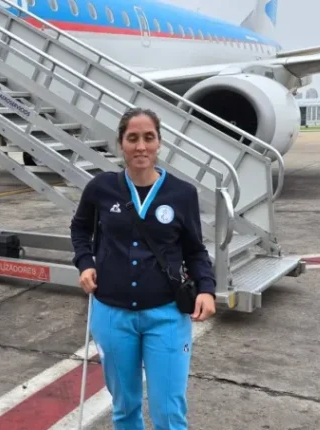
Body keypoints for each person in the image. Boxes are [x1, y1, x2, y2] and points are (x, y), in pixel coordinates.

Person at [69, 107, 216, 430]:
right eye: (132, 138)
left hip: (166, 315)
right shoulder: (101, 188)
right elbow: (80, 228)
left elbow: (195, 250)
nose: (141, 146)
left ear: (159, 142)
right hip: (112, 315)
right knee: (124, 407)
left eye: (149, 138)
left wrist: (206, 288)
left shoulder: (182, 194)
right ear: (121, 143)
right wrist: (85, 263)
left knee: (168, 412)